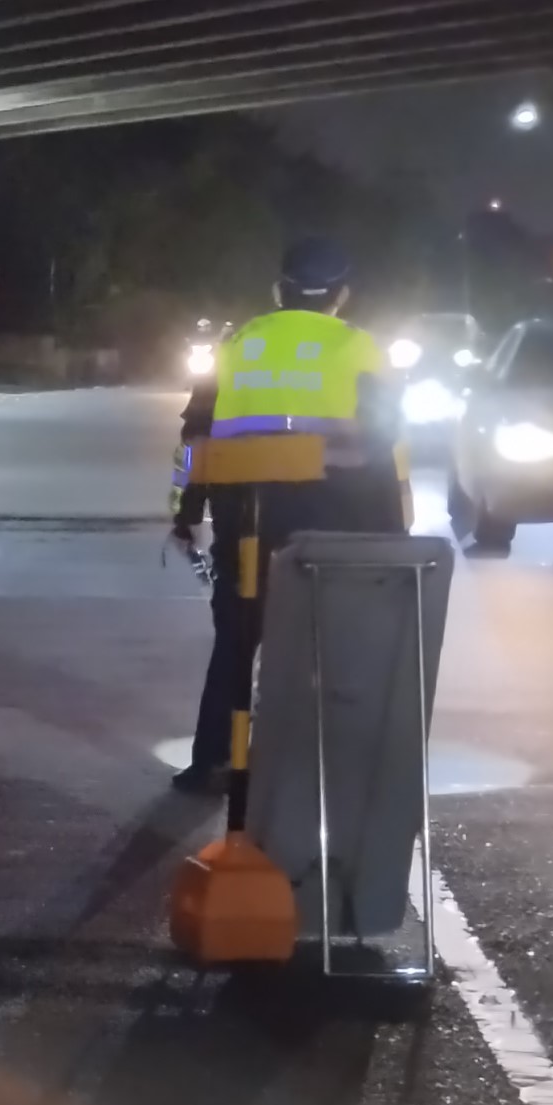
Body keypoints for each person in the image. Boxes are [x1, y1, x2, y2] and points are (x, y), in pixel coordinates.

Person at [171, 235, 405, 796]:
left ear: (279, 290)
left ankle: (214, 761)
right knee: (331, 646)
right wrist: (392, 534)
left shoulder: (238, 344)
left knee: (236, 639)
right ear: (342, 295)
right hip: (334, 522)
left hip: (246, 517)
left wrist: (187, 510)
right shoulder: (359, 348)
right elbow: (383, 443)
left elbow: (195, 437)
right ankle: (320, 769)